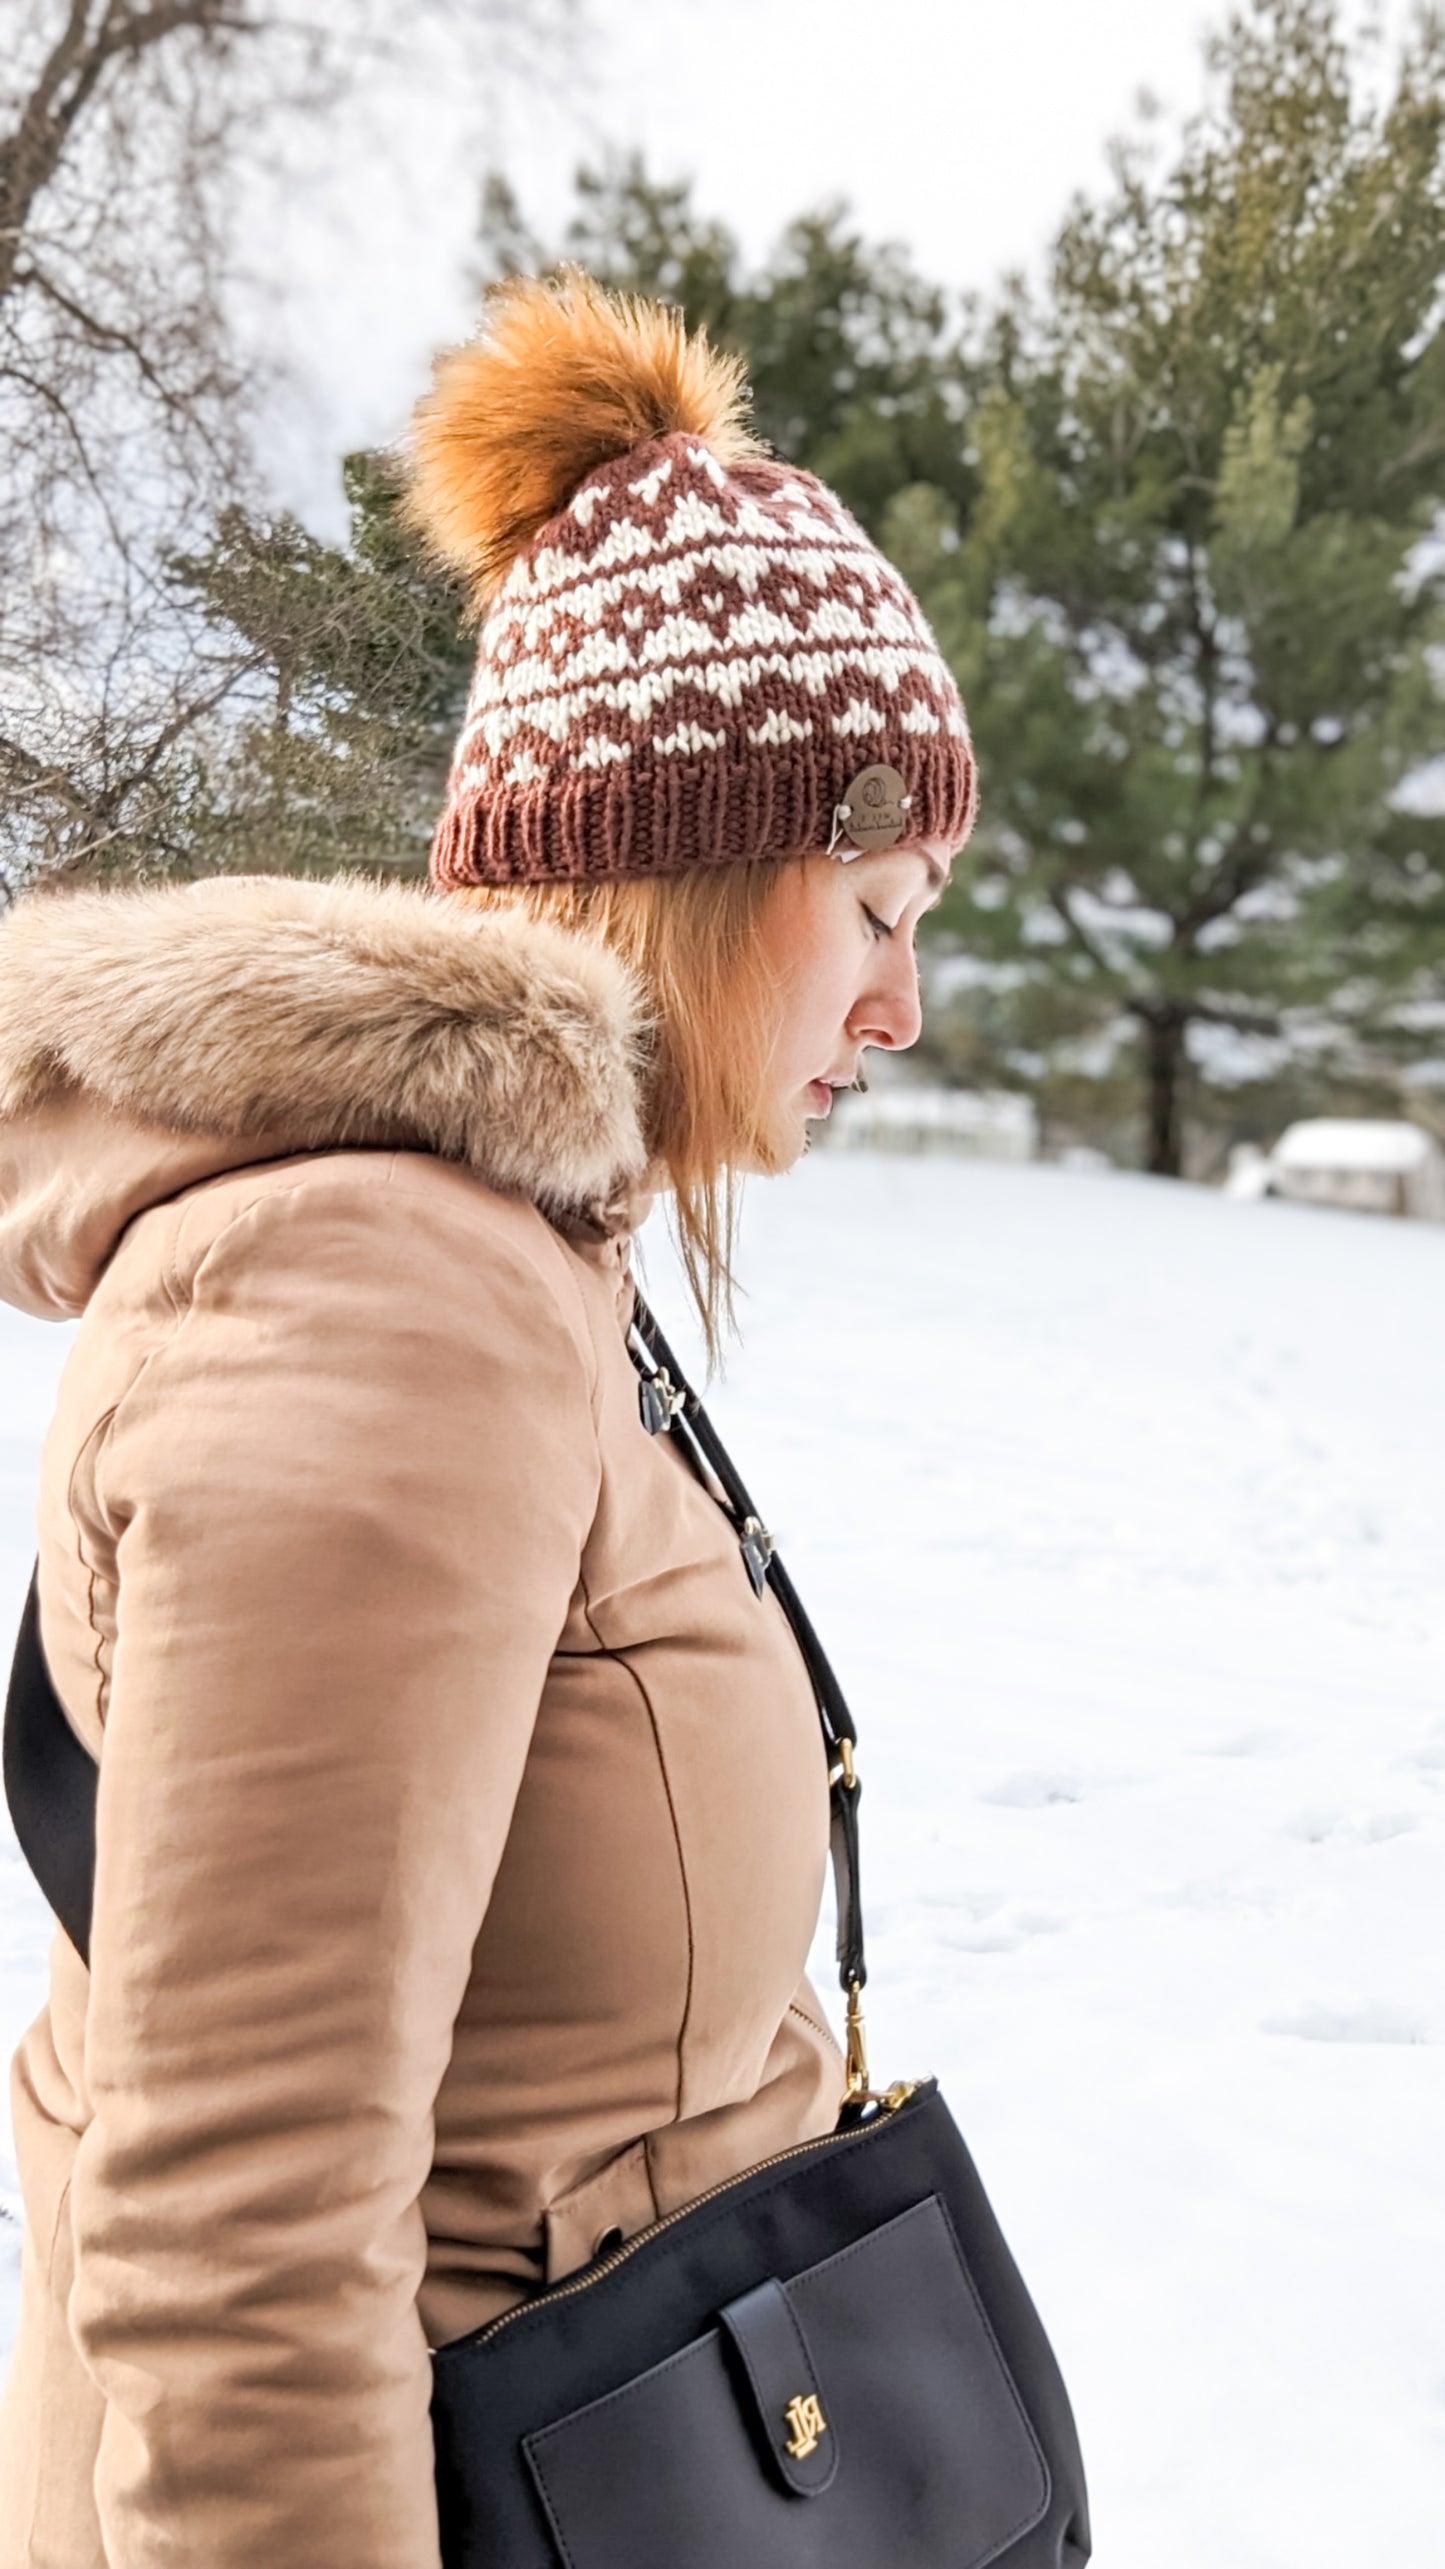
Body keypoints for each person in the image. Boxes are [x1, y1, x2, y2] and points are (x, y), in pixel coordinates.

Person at [0, 272, 975, 2567]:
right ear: (710, 849)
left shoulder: (516, 1254)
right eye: (874, 902)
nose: (904, 1002)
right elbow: (234, 2226)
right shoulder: (387, 1293)